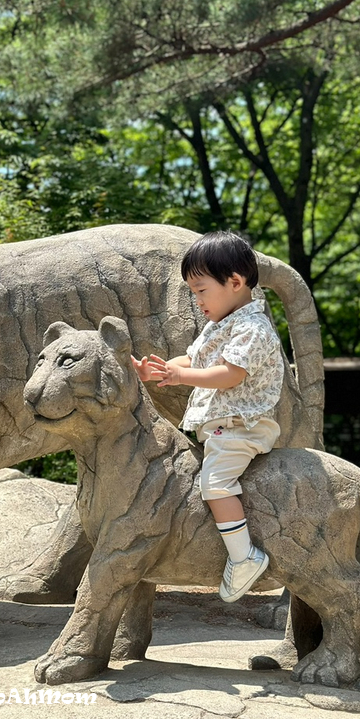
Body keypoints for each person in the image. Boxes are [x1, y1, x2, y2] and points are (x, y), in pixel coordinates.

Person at [131, 231, 284, 602]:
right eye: (192, 291)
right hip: (219, 428)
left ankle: (244, 556)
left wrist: (180, 377)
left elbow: (230, 374)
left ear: (235, 282)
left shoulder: (252, 328)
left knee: (215, 484)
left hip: (241, 428)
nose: (196, 300)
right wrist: (162, 369)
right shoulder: (222, 324)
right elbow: (195, 360)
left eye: (201, 290)